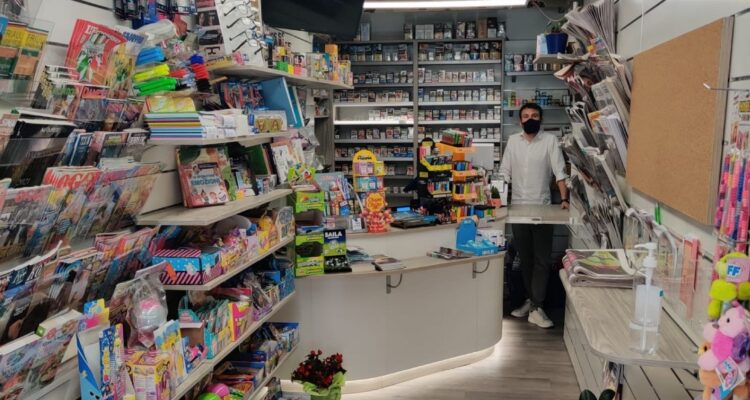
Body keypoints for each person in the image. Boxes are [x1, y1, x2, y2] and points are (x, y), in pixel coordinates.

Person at [499, 102, 568, 329]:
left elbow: (559, 171)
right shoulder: (513, 141)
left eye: (535, 115)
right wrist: (498, 198)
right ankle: (533, 302)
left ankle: (537, 307)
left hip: (542, 209)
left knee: (542, 260)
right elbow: (504, 172)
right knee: (526, 259)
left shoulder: (549, 141)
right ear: (520, 121)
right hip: (518, 209)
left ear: (541, 119)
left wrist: (565, 199)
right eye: (526, 116)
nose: (530, 119)